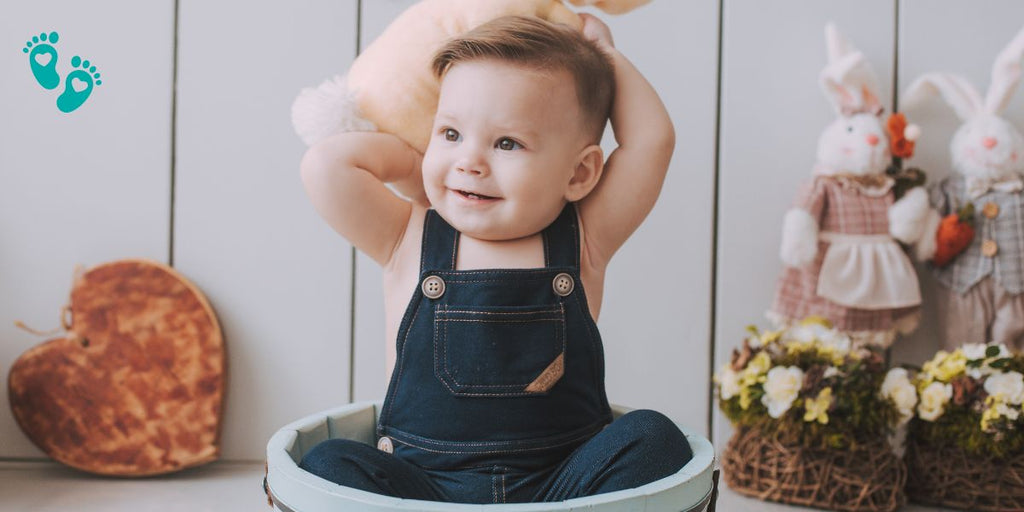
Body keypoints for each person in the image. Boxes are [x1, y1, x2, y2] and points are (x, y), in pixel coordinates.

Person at [297, 13, 691, 504]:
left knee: (654, 438)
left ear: (580, 173)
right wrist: (418, 166)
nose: (469, 162)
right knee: (327, 464)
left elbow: (652, 141)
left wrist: (606, 58)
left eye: (507, 143)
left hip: (562, 489)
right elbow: (326, 166)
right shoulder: (407, 234)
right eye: (451, 134)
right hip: (424, 491)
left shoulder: (586, 236)